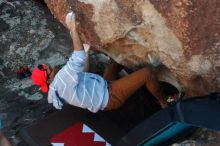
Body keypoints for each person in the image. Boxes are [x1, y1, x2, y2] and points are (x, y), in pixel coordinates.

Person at [31, 12, 167, 113]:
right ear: (48, 80)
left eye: (49, 67)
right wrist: (73, 29)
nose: (52, 68)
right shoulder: (61, 81)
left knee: (112, 67)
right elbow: (77, 56)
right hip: (111, 96)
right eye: (50, 70)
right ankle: (164, 103)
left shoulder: (60, 86)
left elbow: (83, 73)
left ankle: (135, 70)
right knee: (147, 73)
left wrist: (87, 54)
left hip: (103, 87)